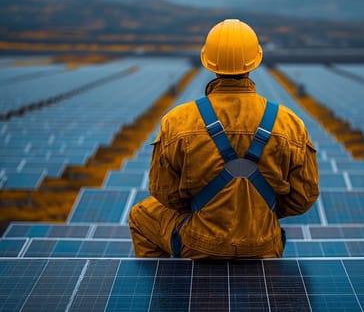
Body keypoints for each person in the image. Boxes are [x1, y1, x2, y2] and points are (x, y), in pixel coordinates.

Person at [128, 19, 319, 258]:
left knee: (140, 214)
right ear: (255, 60)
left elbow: (163, 191)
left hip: (198, 243)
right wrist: (256, 212)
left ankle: (168, 286)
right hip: (265, 244)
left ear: (208, 61)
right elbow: (303, 198)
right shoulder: (289, 122)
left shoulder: (177, 120)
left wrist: (206, 209)